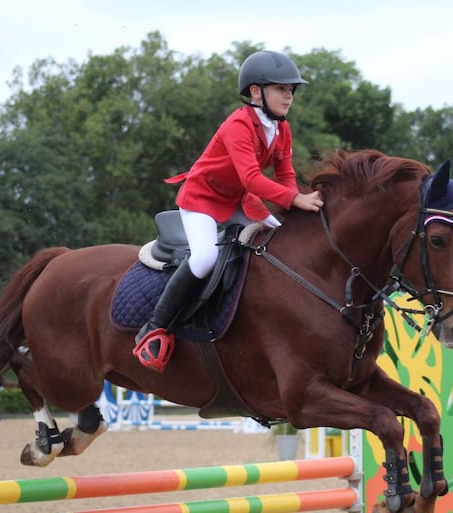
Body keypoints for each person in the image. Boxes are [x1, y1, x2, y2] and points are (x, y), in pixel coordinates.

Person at [133, 50, 324, 372]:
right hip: (202, 199)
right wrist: (295, 200)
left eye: (292, 89)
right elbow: (251, 177)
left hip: (240, 200)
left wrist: (296, 204)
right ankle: (154, 327)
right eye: (281, 88)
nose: (289, 95)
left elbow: (285, 176)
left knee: (284, 244)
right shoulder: (238, 125)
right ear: (255, 92)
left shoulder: (281, 128)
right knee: (205, 257)